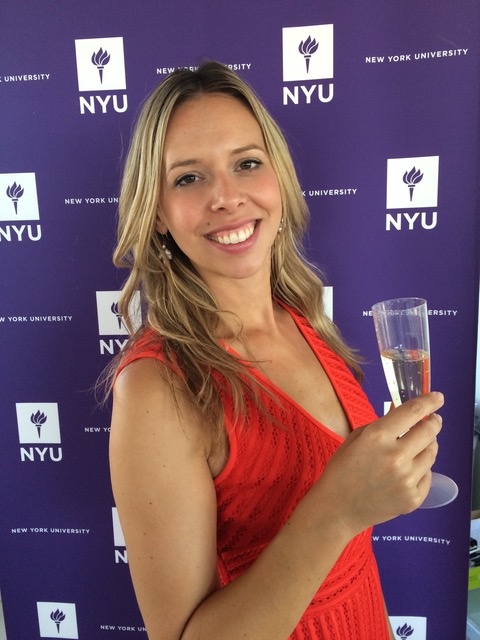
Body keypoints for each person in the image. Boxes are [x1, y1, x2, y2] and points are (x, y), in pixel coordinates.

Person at [108, 61, 443, 640]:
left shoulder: (301, 317)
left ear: (278, 180)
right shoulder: (158, 388)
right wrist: (336, 510)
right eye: (189, 178)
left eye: (246, 163)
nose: (227, 197)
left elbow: (347, 568)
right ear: (158, 213)